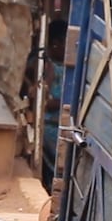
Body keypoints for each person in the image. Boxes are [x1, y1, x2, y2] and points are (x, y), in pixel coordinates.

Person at [41, 19, 67, 190]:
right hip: (50, 126)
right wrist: (64, 103)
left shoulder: (62, 66)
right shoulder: (48, 66)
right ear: (56, 44)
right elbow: (45, 102)